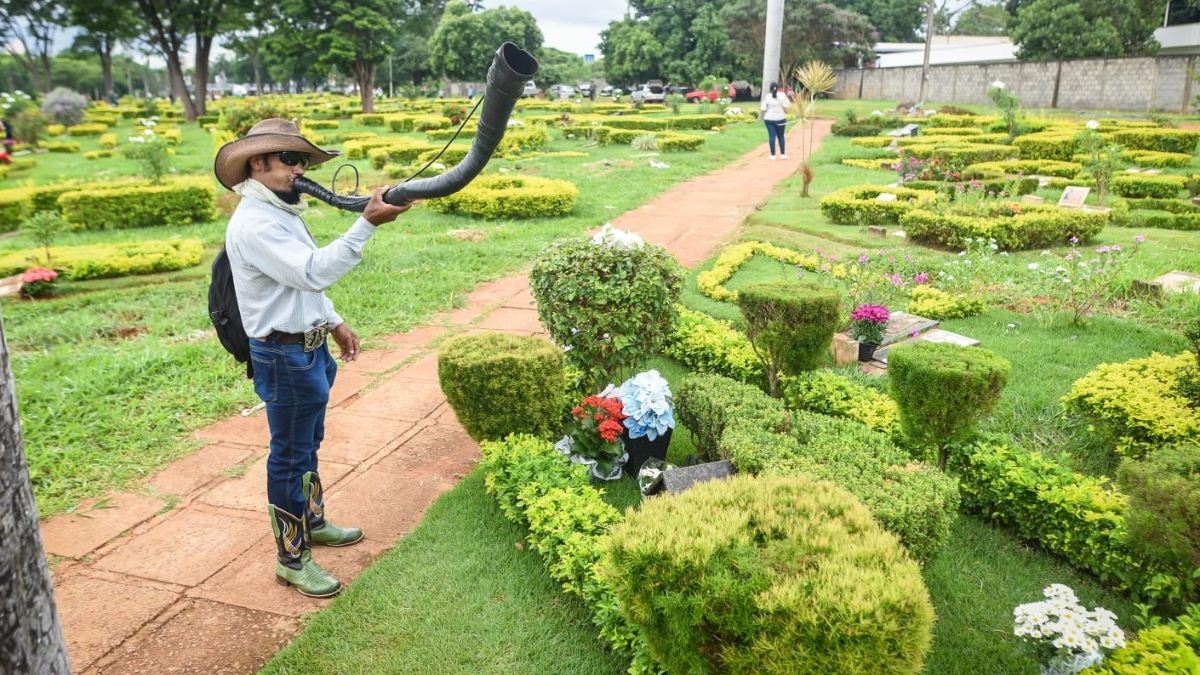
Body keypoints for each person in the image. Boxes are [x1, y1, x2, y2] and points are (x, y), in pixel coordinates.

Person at [213, 119, 412, 597]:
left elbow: (299, 285)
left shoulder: (282, 211)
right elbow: (309, 272)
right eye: (290, 159)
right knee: (289, 456)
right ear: (257, 163)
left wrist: (334, 321)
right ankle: (291, 557)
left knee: (308, 443)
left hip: (309, 348)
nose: (300, 169)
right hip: (283, 357)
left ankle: (312, 522)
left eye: (303, 160)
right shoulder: (256, 221)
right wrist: (365, 224)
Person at [760, 82, 790, 160]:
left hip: (769, 119)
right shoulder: (782, 95)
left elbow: (763, 108)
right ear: (778, 87)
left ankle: (773, 155)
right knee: (781, 136)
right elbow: (787, 106)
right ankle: (782, 154)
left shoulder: (767, 96)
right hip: (780, 119)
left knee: (772, 136)